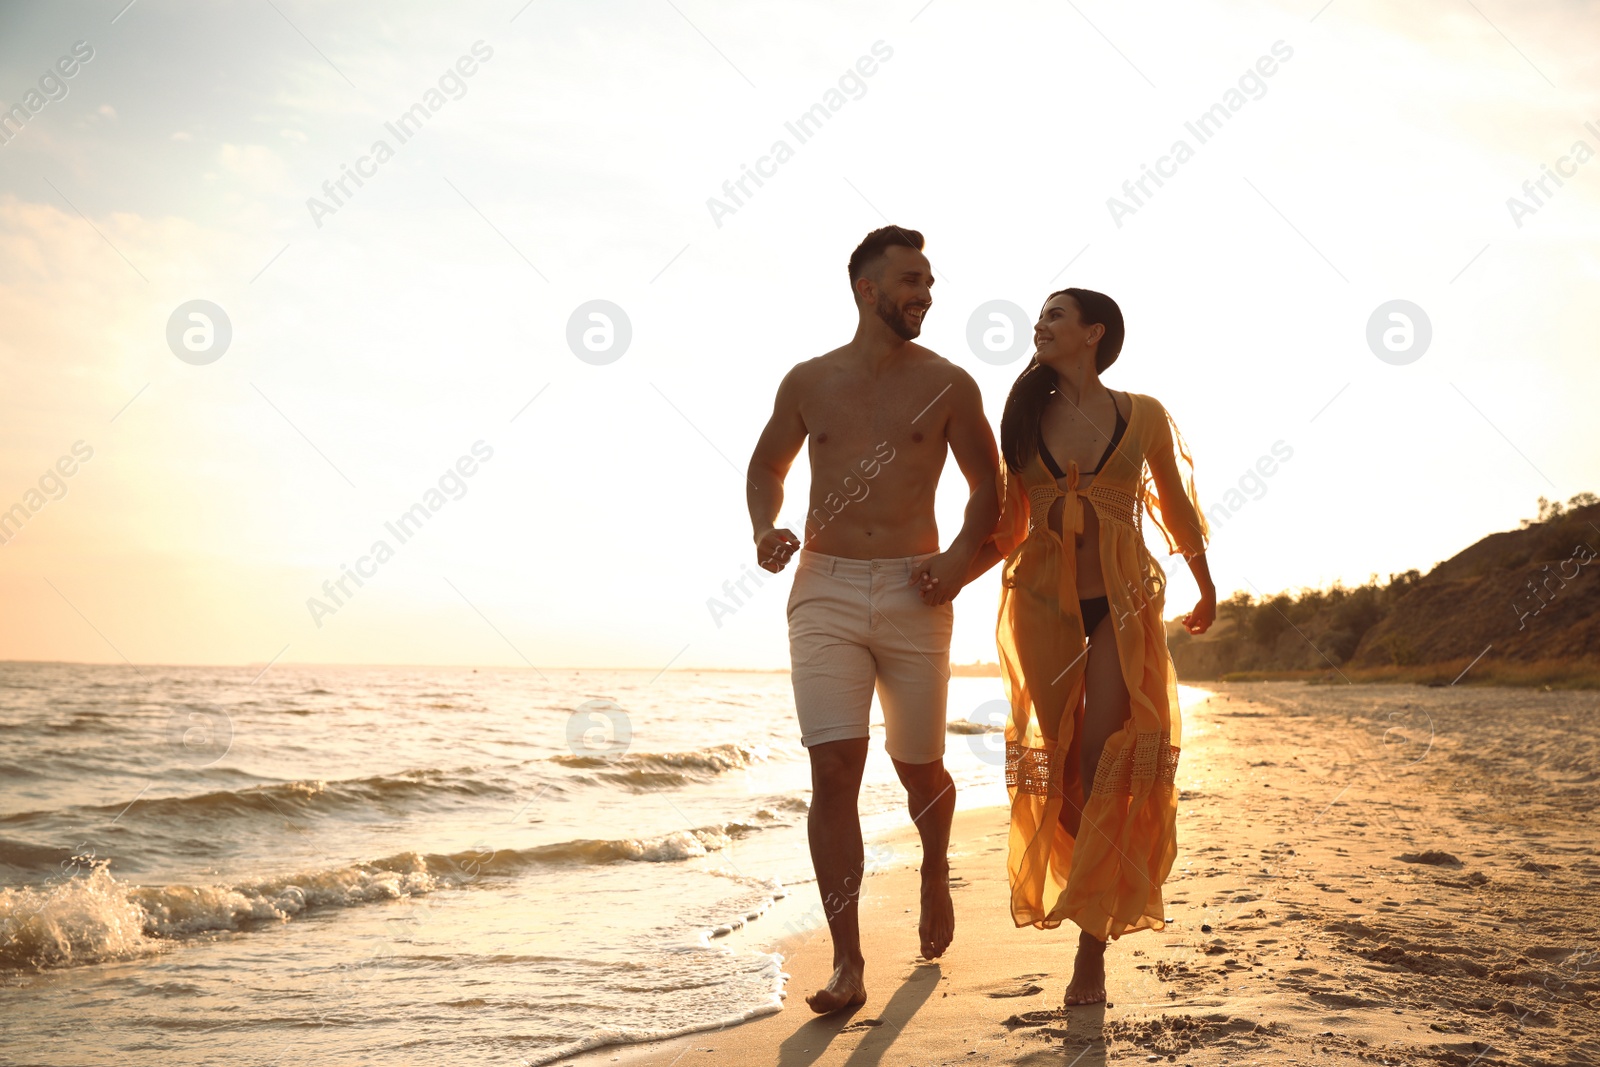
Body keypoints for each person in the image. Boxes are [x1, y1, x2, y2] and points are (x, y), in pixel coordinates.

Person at [746, 226, 1000, 1013]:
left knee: (920, 766)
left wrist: (957, 563)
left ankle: (932, 865)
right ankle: (848, 961)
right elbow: (767, 467)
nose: (924, 294)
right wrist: (765, 526)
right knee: (833, 770)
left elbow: (988, 489)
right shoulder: (807, 381)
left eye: (929, 282)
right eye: (911, 281)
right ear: (867, 288)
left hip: (914, 588)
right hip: (821, 586)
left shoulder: (951, 384)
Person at [950, 287, 1215, 1006]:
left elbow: (1175, 503)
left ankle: (1089, 951)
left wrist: (1205, 583)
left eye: (1056, 314)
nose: (1040, 324)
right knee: (1065, 780)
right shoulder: (1024, 417)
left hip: (1120, 608)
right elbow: (1008, 525)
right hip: (1039, 609)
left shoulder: (1143, 414)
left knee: (1104, 759)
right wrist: (947, 575)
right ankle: (1093, 881)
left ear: (1094, 333)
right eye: (1041, 317)